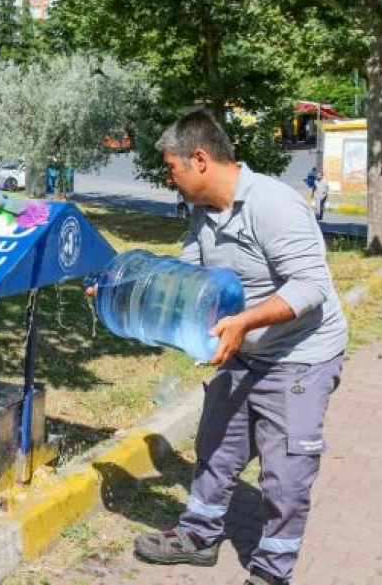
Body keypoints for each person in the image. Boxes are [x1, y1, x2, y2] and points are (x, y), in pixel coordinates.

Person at [131, 110, 347, 585]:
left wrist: (245, 320)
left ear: (200, 160)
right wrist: (132, 290)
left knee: (286, 474)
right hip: (243, 352)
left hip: (299, 359)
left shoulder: (274, 205)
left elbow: (311, 287)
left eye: (171, 167)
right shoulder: (204, 213)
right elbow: (191, 274)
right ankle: (199, 535)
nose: (168, 177)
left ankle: (271, 570)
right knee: (216, 447)